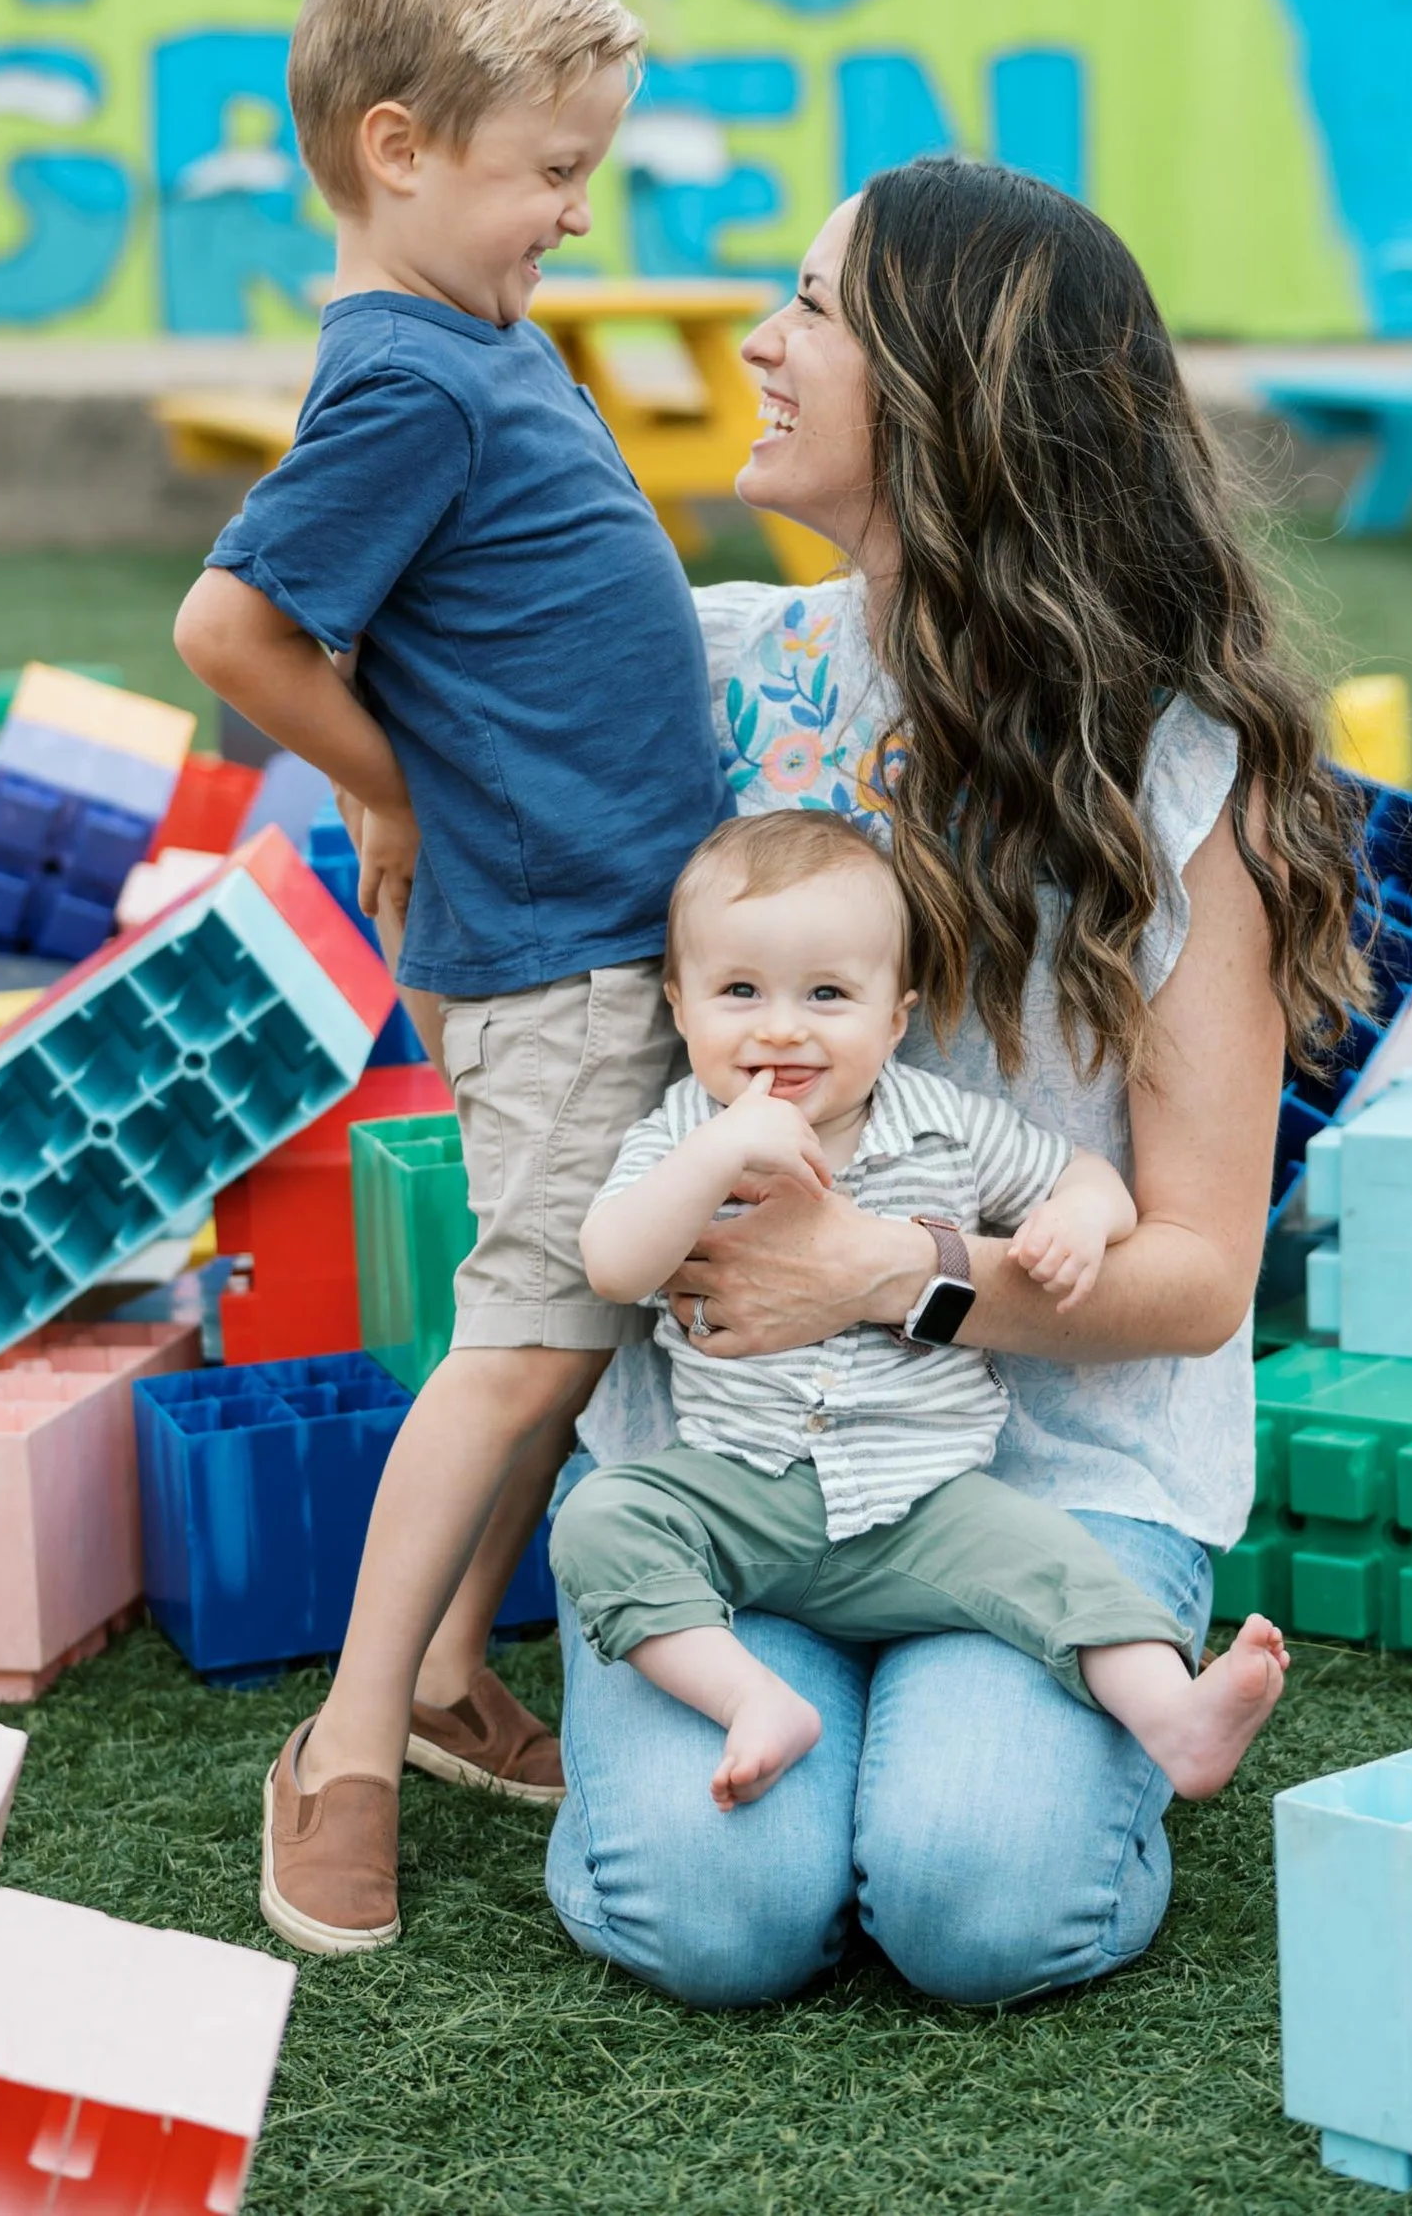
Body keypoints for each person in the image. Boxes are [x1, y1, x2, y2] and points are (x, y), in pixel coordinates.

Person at [545, 158, 1364, 2008]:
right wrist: (371, 778)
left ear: (949, 394)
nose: (758, 342)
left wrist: (884, 1277)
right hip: (737, 1460)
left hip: (1055, 1470)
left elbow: (1196, 1277)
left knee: (976, 1904)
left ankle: (1031, 1755)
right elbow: (398, 651)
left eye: (815, 309)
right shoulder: (720, 669)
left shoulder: (1178, 782)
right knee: (718, 1918)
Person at [172, 0, 729, 1956]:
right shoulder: (406, 377)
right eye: (551, 174)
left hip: (611, 921)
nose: (573, 215)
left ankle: (427, 1681)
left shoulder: (474, 340)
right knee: (519, 1346)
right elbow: (231, 624)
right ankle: (335, 1746)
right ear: (398, 148)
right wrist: (383, 781)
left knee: (570, 1338)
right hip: (551, 947)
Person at [554, 808, 1292, 1811]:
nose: (780, 1026)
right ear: (679, 1007)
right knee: (601, 1520)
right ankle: (752, 1698)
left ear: (894, 1017)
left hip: (926, 1505)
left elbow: (1085, 1175)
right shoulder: (684, 1132)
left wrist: (1080, 1215)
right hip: (738, 1493)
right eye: (738, 992)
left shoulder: (941, 1123)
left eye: (826, 994)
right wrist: (722, 1151)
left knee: (1058, 1565)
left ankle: (1176, 1717)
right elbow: (611, 1261)